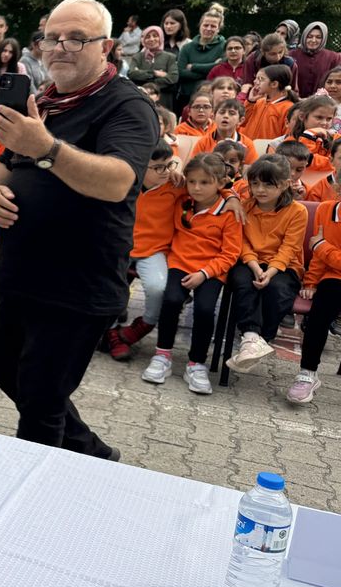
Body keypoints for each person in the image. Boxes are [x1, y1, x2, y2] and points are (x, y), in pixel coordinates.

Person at [0, 0, 158, 460]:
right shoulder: (43, 101)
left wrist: (46, 148)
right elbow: (5, 165)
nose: (60, 46)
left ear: (106, 47)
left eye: (77, 38)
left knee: (40, 401)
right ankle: (95, 454)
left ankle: (33, 491)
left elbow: (118, 181)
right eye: (52, 38)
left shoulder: (128, 106)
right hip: (21, 271)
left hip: (76, 283)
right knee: (5, 370)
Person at [141, 154, 242, 393]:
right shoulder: (183, 199)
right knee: (171, 299)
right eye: (192, 181)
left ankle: (196, 364)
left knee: (205, 309)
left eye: (205, 182)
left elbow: (231, 253)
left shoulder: (229, 212)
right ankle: (163, 355)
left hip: (211, 270)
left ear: (220, 183)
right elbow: (167, 182)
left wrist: (205, 273)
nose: (196, 188)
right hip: (179, 262)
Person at [224, 155, 307, 374]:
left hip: (284, 266)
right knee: (242, 281)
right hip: (250, 261)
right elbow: (241, 241)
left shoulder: (298, 211)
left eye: (268, 185)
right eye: (255, 183)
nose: (260, 190)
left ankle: (261, 338)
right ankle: (251, 337)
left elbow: (289, 248)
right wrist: (254, 265)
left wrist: (270, 272)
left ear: (285, 184)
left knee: (277, 289)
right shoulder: (245, 206)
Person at [105, 142, 185, 361]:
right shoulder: (126, 183)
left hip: (154, 249)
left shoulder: (176, 185)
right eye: (158, 167)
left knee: (158, 287)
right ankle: (110, 332)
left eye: (169, 165)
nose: (165, 172)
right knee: (105, 282)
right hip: (121, 247)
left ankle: (144, 325)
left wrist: (231, 198)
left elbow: (209, 190)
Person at [296, 194, 341, 403]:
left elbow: (319, 248)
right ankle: (307, 373)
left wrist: (322, 246)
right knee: (319, 313)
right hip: (334, 276)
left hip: (334, 266)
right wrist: (311, 282)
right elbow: (317, 257)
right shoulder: (325, 209)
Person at [176, 4, 227, 113]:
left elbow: (221, 69)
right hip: (186, 97)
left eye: (213, 26)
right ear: (200, 25)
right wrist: (211, 68)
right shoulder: (187, 47)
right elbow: (180, 72)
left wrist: (193, 67)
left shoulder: (224, 46)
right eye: (206, 25)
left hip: (212, 100)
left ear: (218, 29)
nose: (208, 28)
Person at [126, 26, 179, 109]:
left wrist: (146, 83)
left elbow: (173, 77)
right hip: (140, 98)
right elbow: (132, 74)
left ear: (161, 38)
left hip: (163, 100)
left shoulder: (170, 57)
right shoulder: (137, 57)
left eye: (155, 36)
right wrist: (154, 73)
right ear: (144, 40)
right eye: (148, 37)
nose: (151, 39)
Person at [291, 22, 341, 95]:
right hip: (294, 100)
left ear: (323, 39)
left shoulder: (333, 57)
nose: (313, 40)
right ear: (304, 37)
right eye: (310, 36)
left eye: (318, 37)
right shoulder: (292, 55)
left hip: (323, 100)